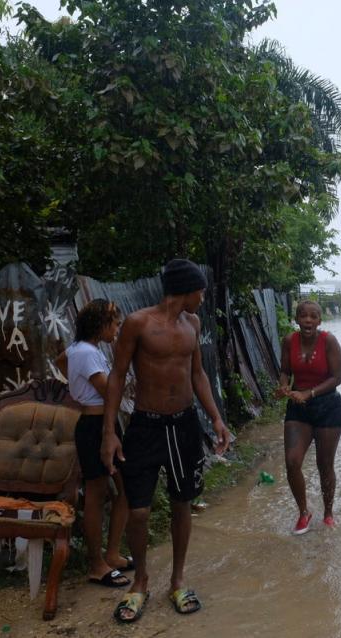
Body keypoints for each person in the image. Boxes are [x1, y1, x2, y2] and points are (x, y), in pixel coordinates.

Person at [100, 258, 230, 623]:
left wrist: (217, 419)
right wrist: (109, 433)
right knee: (138, 510)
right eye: (200, 291)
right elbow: (116, 376)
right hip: (146, 425)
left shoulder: (193, 323)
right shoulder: (139, 324)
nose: (203, 298)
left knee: (181, 502)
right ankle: (140, 580)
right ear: (186, 290)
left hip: (184, 425)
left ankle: (177, 580)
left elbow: (198, 375)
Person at [54, 299, 132, 588]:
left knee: (123, 489)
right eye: (114, 323)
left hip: (98, 423)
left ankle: (110, 553)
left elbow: (61, 360)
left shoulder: (78, 350)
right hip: (97, 427)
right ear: (100, 325)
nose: (117, 328)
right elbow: (109, 389)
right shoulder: (88, 353)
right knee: (98, 494)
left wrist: (78, 388)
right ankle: (97, 564)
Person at [277, 299, 341, 535]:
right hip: (298, 409)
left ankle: (328, 513)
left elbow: (337, 378)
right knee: (292, 461)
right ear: (296, 319)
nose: (308, 320)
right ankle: (304, 512)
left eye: (313, 316)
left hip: (328, 408)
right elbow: (285, 370)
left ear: (319, 320)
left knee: (324, 465)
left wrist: (310, 392)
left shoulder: (329, 341)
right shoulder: (289, 341)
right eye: (303, 316)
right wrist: (284, 386)